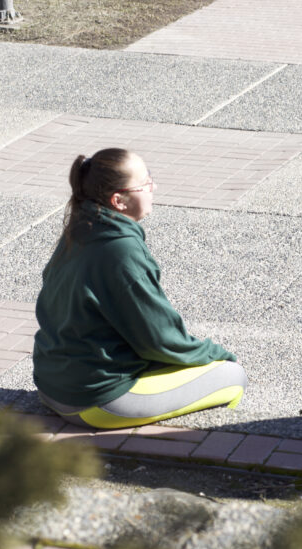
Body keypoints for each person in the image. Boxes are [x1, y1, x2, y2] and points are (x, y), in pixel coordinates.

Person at [33, 148, 247, 429]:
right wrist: (215, 354)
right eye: (145, 184)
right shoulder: (121, 251)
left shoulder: (82, 226)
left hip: (52, 385)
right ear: (118, 201)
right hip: (95, 400)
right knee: (232, 375)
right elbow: (160, 339)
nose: (153, 187)